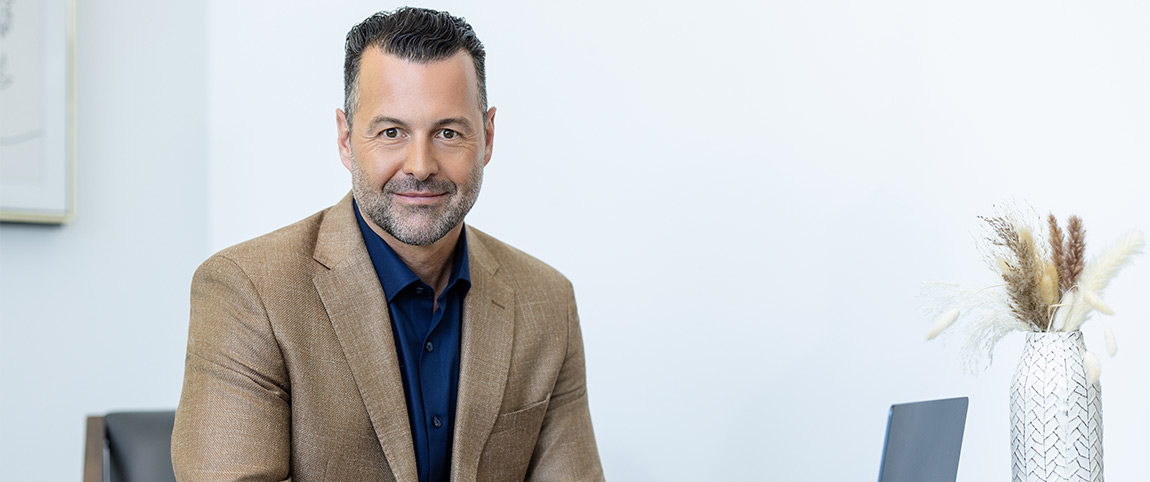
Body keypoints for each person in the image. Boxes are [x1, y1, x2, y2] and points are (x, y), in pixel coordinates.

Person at [171, 7, 603, 481]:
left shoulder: (547, 301)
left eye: (448, 133)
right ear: (345, 139)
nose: (420, 165)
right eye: (391, 132)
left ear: (487, 137)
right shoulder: (249, 292)